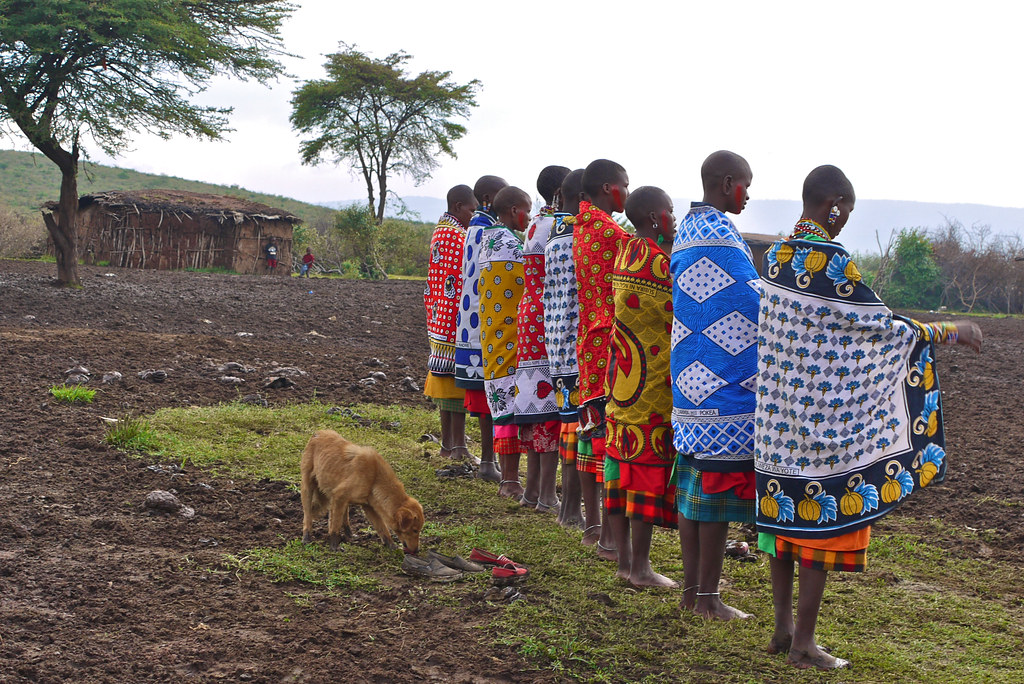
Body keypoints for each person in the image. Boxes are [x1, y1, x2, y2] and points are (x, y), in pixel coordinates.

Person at [756, 165, 982, 670]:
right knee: (820, 525)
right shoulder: (829, 260)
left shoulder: (774, 257)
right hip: (820, 428)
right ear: (833, 204)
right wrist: (948, 331)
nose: (844, 224)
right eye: (846, 213)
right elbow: (878, 327)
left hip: (777, 423)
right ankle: (803, 646)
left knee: (784, 520)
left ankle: (781, 629)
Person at [670, 150, 758, 620]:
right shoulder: (719, 233)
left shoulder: (686, 228)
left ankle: (692, 592)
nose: (749, 193)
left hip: (690, 380)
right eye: (747, 183)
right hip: (722, 387)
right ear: (728, 183)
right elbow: (748, 299)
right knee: (714, 497)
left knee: (694, 489)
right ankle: (708, 598)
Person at [605, 186, 679, 587]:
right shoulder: (660, 262)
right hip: (651, 382)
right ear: (656, 217)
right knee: (646, 469)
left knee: (619, 464)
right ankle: (641, 568)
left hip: (621, 379)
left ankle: (624, 562)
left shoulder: (626, 251)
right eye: (670, 210)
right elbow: (677, 318)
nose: (673, 217)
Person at [573, 158, 630, 562]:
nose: (628, 191)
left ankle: (596, 529)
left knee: (593, 433)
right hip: (611, 344)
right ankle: (612, 539)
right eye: (626, 185)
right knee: (612, 441)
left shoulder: (581, 226)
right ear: (610, 188)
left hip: (587, 342)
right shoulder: (612, 233)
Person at [514, 165, 570, 513]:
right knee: (548, 405)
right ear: (562, 193)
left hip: (528, 313)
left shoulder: (535, 223)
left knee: (534, 403)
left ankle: (532, 490)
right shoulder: (556, 227)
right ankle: (548, 494)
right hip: (547, 316)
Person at [478, 186, 533, 498]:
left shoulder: (488, 239)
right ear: (515, 211)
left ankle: (508, 477)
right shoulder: (512, 244)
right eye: (526, 209)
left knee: (501, 404)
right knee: (510, 407)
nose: (528, 217)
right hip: (510, 335)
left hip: (492, 334)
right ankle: (511, 480)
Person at [455, 175, 508, 483]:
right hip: (483, 323)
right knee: (490, 399)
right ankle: (489, 461)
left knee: (487, 400)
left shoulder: (475, 226)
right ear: (490, 196)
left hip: (473, 324)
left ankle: (491, 461)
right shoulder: (486, 229)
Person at [544, 169, 585, 529]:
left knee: (567, 423)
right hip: (577, 348)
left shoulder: (554, 234)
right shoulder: (580, 236)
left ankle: (569, 506)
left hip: (557, 345)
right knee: (579, 428)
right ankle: (572, 507)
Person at [424, 185, 477, 461]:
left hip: (440, 320)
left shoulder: (442, 232)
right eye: (471, 209)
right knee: (454, 387)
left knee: (449, 387)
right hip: (452, 323)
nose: (473, 215)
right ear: (457, 207)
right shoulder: (455, 236)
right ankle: (455, 447)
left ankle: (452, 445)